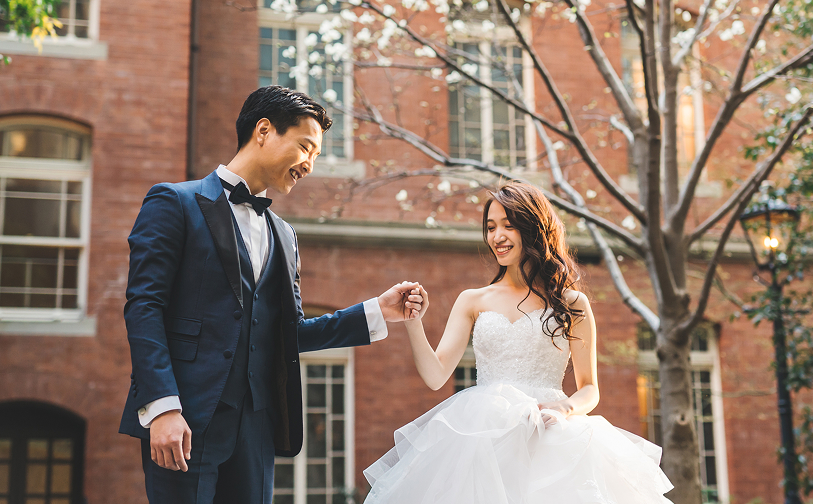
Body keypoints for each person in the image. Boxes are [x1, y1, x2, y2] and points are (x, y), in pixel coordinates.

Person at [118, 85, 426, 504]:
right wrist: (162, 406)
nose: (309, 165)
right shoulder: (174, 202)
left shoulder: (284, 234)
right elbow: (145, 308)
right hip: (185, 418)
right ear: (263, 131)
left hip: (256, 429)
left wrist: (377, 311)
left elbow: (288, 332)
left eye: (316, 156)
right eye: (305, 147)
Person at [363, 182, 673, 503]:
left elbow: (590, 389)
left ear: (534, 228)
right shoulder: (472, 300)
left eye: (508, 226)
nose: (497, 236)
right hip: (482, 437)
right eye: (490, 227)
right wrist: (413, 321)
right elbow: (435, 375)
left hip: (549, 434)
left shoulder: (572, 303)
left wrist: (564, 408)